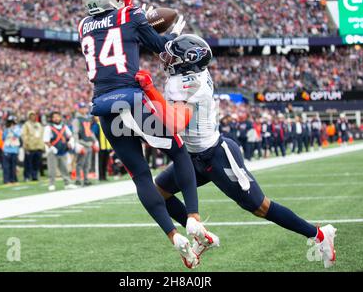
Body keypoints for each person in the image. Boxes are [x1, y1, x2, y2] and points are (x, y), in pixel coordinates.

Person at [139, 34, 337, 269]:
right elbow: (162, 50)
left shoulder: (191, 82)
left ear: (188, 61)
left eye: (174, 56)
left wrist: (150, 90)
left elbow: (175, 124)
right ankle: (201, 235)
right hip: (193, 156)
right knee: (159, 192)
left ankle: (320, 235)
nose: (167, 59)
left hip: (216, 155)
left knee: (260, 207)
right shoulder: (186, 74)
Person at [78, 0, 215, 268]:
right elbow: (159, 46)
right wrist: (170, 28)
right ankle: (192, 217)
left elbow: (112, 29)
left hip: (103, 106)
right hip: (130, 99)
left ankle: (172, 235)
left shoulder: (83, 26)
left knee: (140, 175)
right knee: (178, 150)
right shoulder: (129, 14)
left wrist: (129, 11)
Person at [43, 111, 77, 191]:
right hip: (52, 152)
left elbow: (70, 136)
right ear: (51, 119)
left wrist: (70, 143)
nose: (56, 118)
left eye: (58, 116)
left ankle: (67, 183)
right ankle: (51, 184)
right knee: (52, 169)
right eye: (54, 117)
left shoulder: (64, 126)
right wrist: (52, 148)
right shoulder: (48, 128)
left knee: (64, 168)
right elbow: (46, 140)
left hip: (63, 150)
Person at [72, 103, 98, 186]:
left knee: (87, 164)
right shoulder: (77, 119)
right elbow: (75, 132)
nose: (84, 109)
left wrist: (95, 141)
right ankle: (78, 179)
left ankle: (86, 179)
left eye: (85, 108)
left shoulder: (87, 118)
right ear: (79, 109)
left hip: (89, 143)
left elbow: (90, 131)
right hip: (82, 143)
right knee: (80, 163)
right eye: (82, 108)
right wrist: (77, 143)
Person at [21, 111, 44, 182]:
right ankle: (27, 176)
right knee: (28, 163)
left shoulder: (39, 125)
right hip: (30, 146)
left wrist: (42, 145)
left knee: (36, 163)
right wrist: (26, 144)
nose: (33, 117)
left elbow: (42, 135)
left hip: (38, 146)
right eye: (31, 115)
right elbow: (24, 135)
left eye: (34, 115)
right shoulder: (26, 125)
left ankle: (35, 175)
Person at [2, 116, 22, 184]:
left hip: (14, 149)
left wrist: (12, 130)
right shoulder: (6, 129)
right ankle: (6, 180)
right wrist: (7, 130)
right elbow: (3, 138)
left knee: (13, 166)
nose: (12, 124)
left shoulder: (18, 128)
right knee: (6, 166)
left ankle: (13, 179)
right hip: (7, 149)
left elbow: (18, 135)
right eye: (10, 122)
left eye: (13, 122)